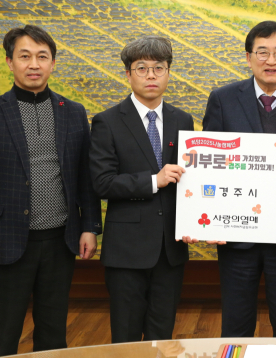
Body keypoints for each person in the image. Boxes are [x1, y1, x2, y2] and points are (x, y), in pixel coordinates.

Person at [0, 25, 102, 357]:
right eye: (25, 56)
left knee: (53, 333)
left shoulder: (75, 112)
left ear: (53, 63)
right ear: (10, 62)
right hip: (4, 243)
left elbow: (85, 178)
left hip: (60, 242)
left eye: (42, 56)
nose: (34, 64)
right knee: (3, 332)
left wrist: (89, 227)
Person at [199, 20, 276, 338]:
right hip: (236, 237)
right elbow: (208, 164)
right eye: (263, 52)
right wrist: (210, 219)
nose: (271, 61)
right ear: (248, 57)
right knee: (236, 323)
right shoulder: (223, 99)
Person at [89, 36, 194, 343]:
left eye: (158, 68)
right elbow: (102, 182)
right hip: (127, 250)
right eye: (142, 68)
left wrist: (195, 217)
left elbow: (188, 180)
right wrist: (153, 180)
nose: (151, 75)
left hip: (170, 250)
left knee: (163, 334)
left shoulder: (182, 119)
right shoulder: (107, 121)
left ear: (168, 73)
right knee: (126, 336)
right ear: (128, 74)